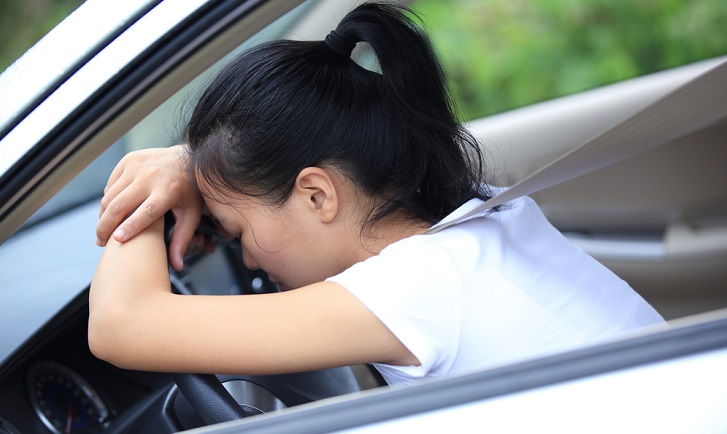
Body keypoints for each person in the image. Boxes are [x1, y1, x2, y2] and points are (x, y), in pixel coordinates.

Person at [90, 2, 665, 386]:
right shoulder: (486, 213)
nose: (247, 261)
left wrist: (154, 174)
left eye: (237, 233)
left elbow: (121, 326)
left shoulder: (410, 289)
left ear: (317, 195)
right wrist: (198, 165)